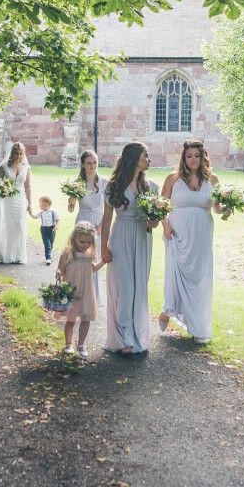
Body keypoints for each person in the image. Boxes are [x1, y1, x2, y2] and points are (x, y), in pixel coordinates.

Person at [159, 140, 224, 343]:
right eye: (189, 156)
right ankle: (168, 309)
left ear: (203, 157)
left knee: (200, 279)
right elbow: (161, 206)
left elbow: (217, 208)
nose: (193, 159)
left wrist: (228, 206)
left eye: (197, 155)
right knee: (175, 275)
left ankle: (200, 328)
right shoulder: (172, 179)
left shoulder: (212, 179)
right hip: (178, 235)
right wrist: (166, 226)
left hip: (202, 236)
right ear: (183, 157)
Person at [100, 142, 159, 355]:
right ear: (134, 158)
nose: (149, 160)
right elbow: (106, 220)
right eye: (146, 156)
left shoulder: (151, 187)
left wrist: (155, 222)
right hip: (121, 234)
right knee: (125, 288)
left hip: (143, 237)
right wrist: (103, 248)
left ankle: (137, 335)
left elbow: (155, 220)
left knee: (139, 288)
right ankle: (123, 338)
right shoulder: (113, 186)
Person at [54, 221, 106, 359]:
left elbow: (93, 268)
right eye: (82, 242)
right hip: (71, 291)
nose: (85, 245)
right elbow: (61, 268)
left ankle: (81, 344)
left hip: (86, 291)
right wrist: (59, 272)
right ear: (74, 238)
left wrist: (103, 261)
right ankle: (68, 344)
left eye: (89, 242)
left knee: (85, 319)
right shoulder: (68, 252)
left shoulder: (90, 252)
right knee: (70, 319)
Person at [67, 149, 108, 305]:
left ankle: (93, 297)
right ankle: (78, 294)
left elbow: (109, 208)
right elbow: (71, 209)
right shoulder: (78, 183)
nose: (92, 166)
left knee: (93, 259)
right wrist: (71, 202)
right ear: (83, 165)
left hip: (98, 222)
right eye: (89, 163)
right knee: (79, 259)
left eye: (95, 163)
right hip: (82, 221)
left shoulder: (104, 182)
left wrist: (101, 227)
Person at [0, 141, 32, 264]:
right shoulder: (4, 167)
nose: (18, 156)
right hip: (6, 200)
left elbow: (28, 186)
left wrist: (30, 203)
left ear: (23, 154)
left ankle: (18, 255)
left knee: (19, 225)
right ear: (12, 153)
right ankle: (6, 254)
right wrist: (3, 190)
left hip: (21, 200)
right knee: (6, 225)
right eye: (16, 153)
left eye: (21, 153)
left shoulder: (26, 168)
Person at [31, 196, 60, 265]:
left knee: (51, 244)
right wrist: (30, 212)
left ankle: (48, 255)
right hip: (44, 229)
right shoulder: (41, 212)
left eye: (40, 204)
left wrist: (56, 226)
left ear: (45, 204)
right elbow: (35, 217)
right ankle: (48, 258)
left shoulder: (54, 212)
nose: (39, 205)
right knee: (47, 244)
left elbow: (58, 220)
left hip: (52, 229)